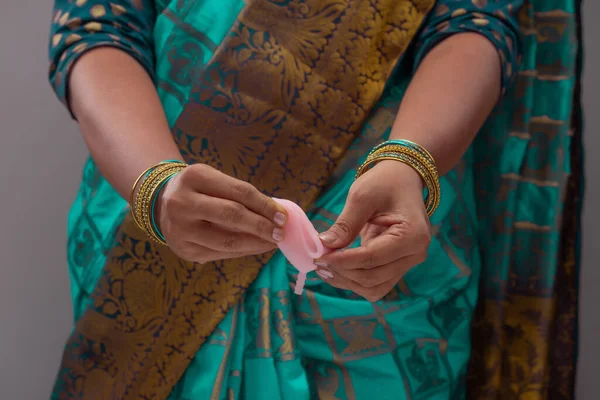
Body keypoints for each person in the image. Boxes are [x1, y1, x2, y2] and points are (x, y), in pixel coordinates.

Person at [48, 0, 582, 398]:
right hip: (161, 219)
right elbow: (96, 25)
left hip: (377, 253)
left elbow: (475, 22)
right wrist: (156, 183)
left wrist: (408, 160)